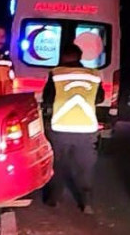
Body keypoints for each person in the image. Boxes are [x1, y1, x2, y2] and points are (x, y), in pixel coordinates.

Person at [42, 44, 105, 214]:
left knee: (58, 164)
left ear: (62, 57)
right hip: (86, 128)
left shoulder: (56, 73)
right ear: (79, 57)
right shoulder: (94, 74)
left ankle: (54, 199)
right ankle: (87, 203)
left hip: (60, 127)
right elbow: (100, 98)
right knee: (85, 167)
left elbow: (47, 98)